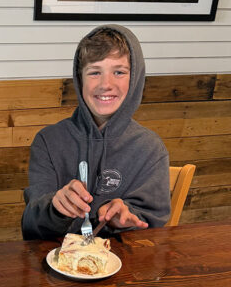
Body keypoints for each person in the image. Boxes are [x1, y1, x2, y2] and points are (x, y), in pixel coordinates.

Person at [22, 24, 170, 240]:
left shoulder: (150, 148)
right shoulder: (48, 141)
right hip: (56, 255)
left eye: (119, 72)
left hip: (122, 257)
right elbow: (31, 226)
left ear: (135, 78)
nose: (105, 84)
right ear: (79, 79)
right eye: (94, 72)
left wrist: (123, 219)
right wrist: (55, 208)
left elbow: (153, 226)